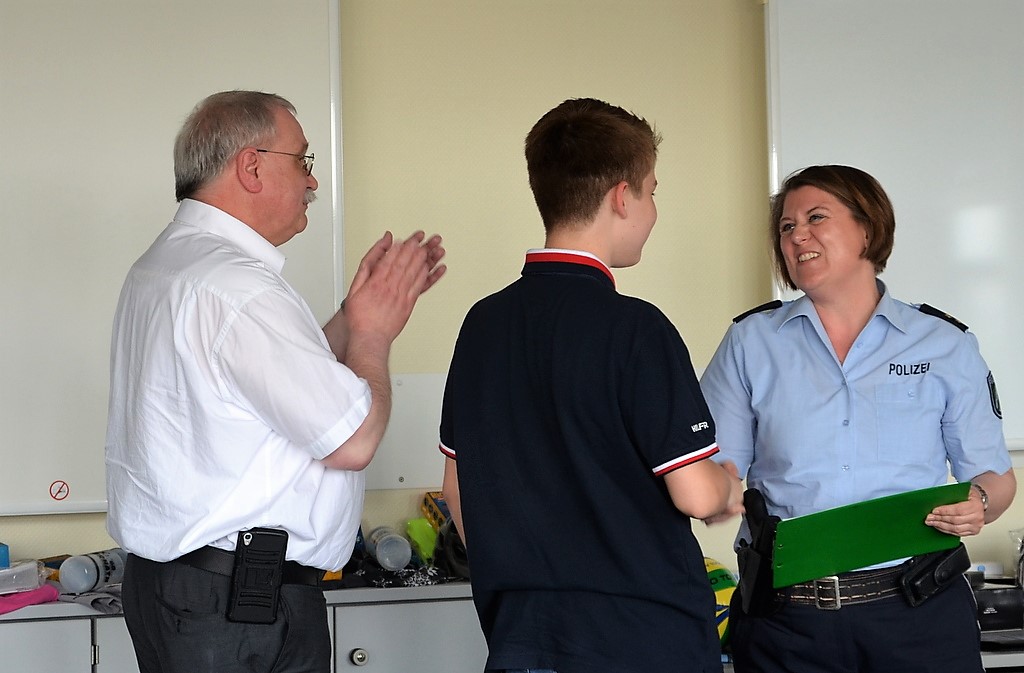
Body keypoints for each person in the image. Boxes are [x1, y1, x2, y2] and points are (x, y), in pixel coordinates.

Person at [105, 90, 446, 673]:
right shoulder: (238, 287)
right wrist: (373, 335)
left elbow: (270, 384)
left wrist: (353, 316)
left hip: (188, 596)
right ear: (252, 166)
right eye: (303, 160)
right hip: (238, 612)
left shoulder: (170, 265)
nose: (313, 181)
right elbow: (352, 441)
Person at [438, 97, 744, 673]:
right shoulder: (637, 329)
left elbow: (457, 489)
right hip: (642, 641)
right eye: (652, 192)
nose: (653, 210)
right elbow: (695, 495)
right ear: (622, 197)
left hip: (522, 636)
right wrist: (727, 487)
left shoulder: (483, 324)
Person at [700, 164, 1016, 673]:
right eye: (786, 226)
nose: (796, 235)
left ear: (867, 229)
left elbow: (995, 478)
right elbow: (719, 470)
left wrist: (979, 503)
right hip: (787, 621)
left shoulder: (943, 343)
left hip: (919, 614)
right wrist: (712, 495)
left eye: (816, 217)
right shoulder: (750, 342)